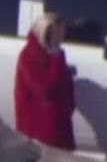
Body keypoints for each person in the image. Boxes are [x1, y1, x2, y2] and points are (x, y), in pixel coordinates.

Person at [14, 12, 76, 151]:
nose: (62, 37)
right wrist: (55, 57)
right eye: (57, 33)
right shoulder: (30, 55)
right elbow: (45, 91)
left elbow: (65, 88)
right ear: (46, 33)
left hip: (59, 127)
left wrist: (68, 108)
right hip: (41, 132)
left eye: (63, 32)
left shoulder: (57, 54)